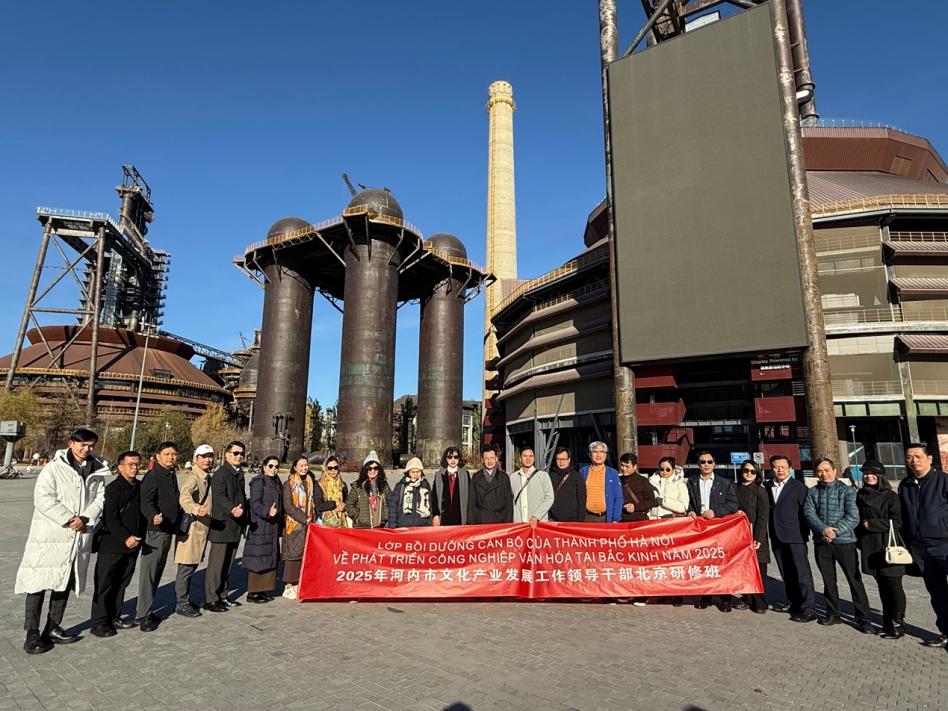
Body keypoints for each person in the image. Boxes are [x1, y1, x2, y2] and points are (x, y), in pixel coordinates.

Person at [15, 428, 110, 654]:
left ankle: (53, 627)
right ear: (71, 443)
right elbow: (43, 499)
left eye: (90, 445)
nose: (86, 449)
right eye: (82, 444)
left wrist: (85, 518)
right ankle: (32, 633)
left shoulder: (97, 469)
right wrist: (68, 519)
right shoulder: (53, 468)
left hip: (78, 535)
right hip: (51, 535)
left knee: (65, 581)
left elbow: (100, 498)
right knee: (38, 584)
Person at [804, 457, 874, 633]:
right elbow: (809, 513)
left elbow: (853, 517)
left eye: (827, 470)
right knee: (829, 581)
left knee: (854, 580)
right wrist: (823, 530)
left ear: (834, 471)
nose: (824, 474)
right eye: (820, 471)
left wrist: (835, 532)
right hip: (822, 543)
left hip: (845, 543)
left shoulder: (847, 491)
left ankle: (863, 618)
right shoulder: (813, 492)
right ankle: (833, 613)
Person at [90, 450, 145, 637]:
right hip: (112, 545)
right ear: (120, 467)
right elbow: (110, 518)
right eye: (130, 465)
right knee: (105, 584)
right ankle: (99, 622)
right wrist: (126, 537)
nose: (134, 468)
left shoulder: (139, 487)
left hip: (133, 546)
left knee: (122, 582)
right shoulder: (113, 489)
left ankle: (115, 616)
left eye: (137, 464)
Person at [898, 442, 948, 648]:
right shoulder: (905, 485)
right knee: (937, 593)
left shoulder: (943, 481)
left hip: (944, 544)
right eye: (909, 457)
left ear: (929, 459)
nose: (914, 461)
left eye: (918, 456)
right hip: (920, 548)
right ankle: (946, 632)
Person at [856, 460, 906, 639]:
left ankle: (898, 624)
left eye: (872, 473)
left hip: (888, 543)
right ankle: (887, 623)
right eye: (866, 473)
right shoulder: (861, 494)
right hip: (870, 545)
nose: (868, 476)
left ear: (880, 475)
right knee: (882, 586)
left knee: (894, 585)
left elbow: (897, 522)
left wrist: (872, 524)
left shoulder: (891, 496)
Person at [282, 456, 342, 600]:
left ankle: (301, 582)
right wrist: (304, 517)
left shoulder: (311, 482)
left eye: (306, 465)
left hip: (310, 523)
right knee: (293, 554)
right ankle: (289, 585)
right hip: (295, 524)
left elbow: (316, 501)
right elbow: (288, 506)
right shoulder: (289, 483)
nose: (304, 468)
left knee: (305, 554)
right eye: (301, 465)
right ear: (295, 468)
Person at [135, 441, 180, 632]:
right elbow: (145, 501)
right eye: (167, 453)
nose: (171, 457)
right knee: (149, 573)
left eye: (174, 454)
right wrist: (152, 515)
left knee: (157, 571)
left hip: (167, 530)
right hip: (155, 531)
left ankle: (148, 609)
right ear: (158, 456)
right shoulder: (153, 476)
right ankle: (143, 614)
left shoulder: (171, 474)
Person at [765, 455, 816, 622]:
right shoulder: (767, 486)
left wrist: (805, 533)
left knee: (802, 573)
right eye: (776, 467)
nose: (780, 470)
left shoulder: (799, 487)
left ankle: (808, 608)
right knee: (786, 572)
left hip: (795, 536)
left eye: (783, 467)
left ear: (790, 469)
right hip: (776, 535)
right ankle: (792, 602)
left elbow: (806, 512)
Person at [687, 451, 738, 611]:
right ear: (698, 464)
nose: (706, 465)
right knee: (703, 563)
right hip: (700, 529)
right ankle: (705, 597)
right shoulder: (692, 482)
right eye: (703, 462)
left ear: (714, 464)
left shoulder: (724, 483)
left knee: (721, 563)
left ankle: (725, 598)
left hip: (718, 529)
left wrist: (716, 512)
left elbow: (733, 504)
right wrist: (690, 510)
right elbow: (688, 502)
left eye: (709, 461)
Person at [204, 440, 247, 613]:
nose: (239, 456)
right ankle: (211, 599)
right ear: (227, 455)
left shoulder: (238, 473)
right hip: (222, 525)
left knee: (228, 564)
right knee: (217, 565)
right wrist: (231, 509)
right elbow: (219, 496)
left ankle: (223, 595)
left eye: (241, 453)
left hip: (235, 525)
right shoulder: (221, 474)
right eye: (235, 453)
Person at [244, 456, 283, 603]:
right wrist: (267, 511)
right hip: (260, 526)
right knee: (258, 558)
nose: (274, 469)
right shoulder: (259, 481)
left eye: (276, 466)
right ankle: (253, 593)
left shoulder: (276, 481)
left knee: (269, 558)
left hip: (272, 526)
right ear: (264, 467)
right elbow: (255, 503)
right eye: (271, 466)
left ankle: (262, 590)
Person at [735, 459, 770, 614]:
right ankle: (747, 598)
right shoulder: (735, 488)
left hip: (756, 536)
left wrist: (759, 538)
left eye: (752, 471)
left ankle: (760, 602)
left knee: (758, 570)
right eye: (746, 470)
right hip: (739, 536)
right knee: (744, 569)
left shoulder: (760, 491)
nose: (749, 474)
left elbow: (763, 516)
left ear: (757, 474)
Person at [579, 441, 623, 523]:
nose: (598, 455)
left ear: (605, 455)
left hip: (606, 518)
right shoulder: (583, 471)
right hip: (586, 517)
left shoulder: (612, 473)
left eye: (602, 452)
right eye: (595, 452)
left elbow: (618, 497)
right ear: (590, 455)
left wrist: (616, 518)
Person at [468, 446, 513, 524]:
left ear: (496, 459)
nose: (489, 461)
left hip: (500, 520)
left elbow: (509, 503)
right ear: (482, 460)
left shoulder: (504, 477)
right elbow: (471, 503)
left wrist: (508, 522)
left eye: (492, 458)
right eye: (486, 458)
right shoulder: (476, 477)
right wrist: (471, 523)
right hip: (481, 520)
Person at [346, 451, 392, 528]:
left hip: (381, 526)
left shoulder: (384, 485)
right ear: (365, 470)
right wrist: (358, 517)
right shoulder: (357, 486)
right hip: (362, 527)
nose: (372, 471)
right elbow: (349, 504)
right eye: (369, 468)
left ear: (379, 470)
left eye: (375, 468)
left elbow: (391, 502)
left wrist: (387, 516)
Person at [509, 447, 554, 525]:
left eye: (530, 456)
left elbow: (549, 498)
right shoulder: (513, 477)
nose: (528, 459)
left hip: (538, 522)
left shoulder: (543, 476)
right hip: (519, 523)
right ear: (520, 458)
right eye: (525, 456)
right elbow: (510, 500)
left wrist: (536, 516)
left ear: (534, 458)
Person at [389, 457, 434, 527]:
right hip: (404, 526)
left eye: (418, 471)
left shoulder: (425, 485)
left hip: (422, 525)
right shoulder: (401, 485)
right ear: (408, 472)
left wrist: (430, 523)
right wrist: (393, 526)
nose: (415, 474)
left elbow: (430, 505)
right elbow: (393, 506)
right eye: (413, 472)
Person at [431, 447, 471, 526]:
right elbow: (434, 496)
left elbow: (470, 497)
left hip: (460, 517)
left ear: (459, 459)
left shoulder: (465, 474)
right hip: (443, 517)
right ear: (446, 459)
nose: (453, 460)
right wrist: (435, 515)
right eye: (450, 457)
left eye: (456, 457)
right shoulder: (439, 474)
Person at [547, 447, 586, 523]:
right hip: (554, 520)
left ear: (569, 460)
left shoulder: (577, 476)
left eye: (564, 459)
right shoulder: (551, 476)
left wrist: (580, 521)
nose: (561, 462)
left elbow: (582, 500)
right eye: (558, 459)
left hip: (573, 521)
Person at [618, 452, 657, 522]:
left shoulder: (643, 481)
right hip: (620, 520)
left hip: (639, 520)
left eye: (627, 466)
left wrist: (635, 507)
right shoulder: (617, 480)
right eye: (622, 465)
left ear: (635, 466)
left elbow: (652, 501)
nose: (623, 468)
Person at [317, 455, 349, 528]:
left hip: (341, 522)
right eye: (330, 468)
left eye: (335, 467)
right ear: (325, 469)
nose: (333, 470)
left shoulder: (343, 484)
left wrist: (344, 506)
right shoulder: (320, 484)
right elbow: (319, 506)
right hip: (325, 523)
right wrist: (335, 504)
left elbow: (347, 502)